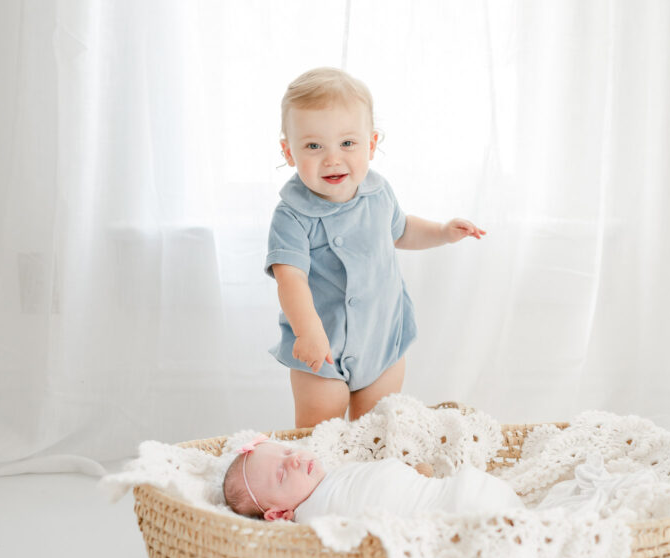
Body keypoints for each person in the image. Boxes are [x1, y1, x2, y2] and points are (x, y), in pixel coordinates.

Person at [266, 67, 486, 428]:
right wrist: (307, 332)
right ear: (289, 152)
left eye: (347, 143)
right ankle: (323, 482)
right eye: (313, 146)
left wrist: (443, 232)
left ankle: (376, 480)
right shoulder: (292, 215)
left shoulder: (378, 193)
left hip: (380, 341)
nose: (332, 158)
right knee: (320, 432)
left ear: (371, 144)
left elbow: (401, 231)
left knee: (379, 430)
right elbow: (290, 279)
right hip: (322, 348)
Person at [223, 435, 523, 523]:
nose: (296, 459)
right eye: (281, 472)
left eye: (288, 451)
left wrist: (413, 475)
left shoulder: (335, 474)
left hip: (458, 491)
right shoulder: (313, 520)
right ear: (278, 513)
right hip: (454, 512)